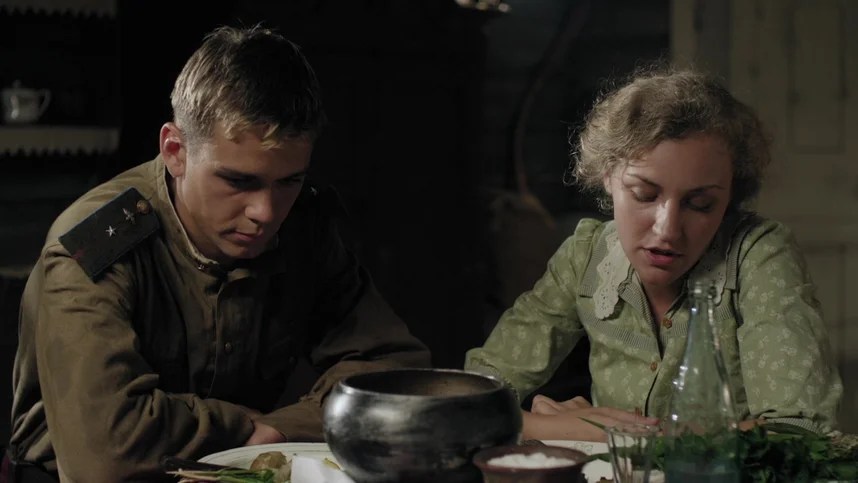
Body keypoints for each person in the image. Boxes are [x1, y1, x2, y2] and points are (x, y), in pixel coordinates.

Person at [4, 25, 431, 483]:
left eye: (288, 182)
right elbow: (104, 454)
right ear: (175, 151)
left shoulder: (302, 228)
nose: (265, 212)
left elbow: (398, 376)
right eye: (239, 181)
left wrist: (280, 430)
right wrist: (242, 428)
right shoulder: (96, 244)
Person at [464, 66, 843, 442]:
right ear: (608, 177)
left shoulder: (758, 255)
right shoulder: (586, 255)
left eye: (700, 203)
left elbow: (797, 434)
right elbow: (471, 398)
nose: (667, 230)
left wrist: (608, 432)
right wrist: (553, 426)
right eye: (644, 195)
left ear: (730, 198)